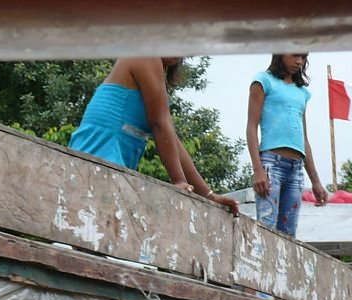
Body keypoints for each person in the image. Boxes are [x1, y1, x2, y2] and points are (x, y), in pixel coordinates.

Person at [69, 57, 239, 214]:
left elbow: (171, 139)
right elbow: (159, 124)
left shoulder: (156, 70)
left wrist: (208, 194)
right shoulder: (146, 54)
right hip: (97, 158)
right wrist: (179, 181)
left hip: (109, 168)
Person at [246, 53, 328, 235]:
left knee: (289, 234)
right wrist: (258, 170)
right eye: (295, 55)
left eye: (304, 57)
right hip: (271, 164)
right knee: (267, 227)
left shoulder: (302, 93)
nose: (299, 61)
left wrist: (315, 181)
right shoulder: (263, 81)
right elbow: (251, 127)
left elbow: (303, 138)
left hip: (296, 169)